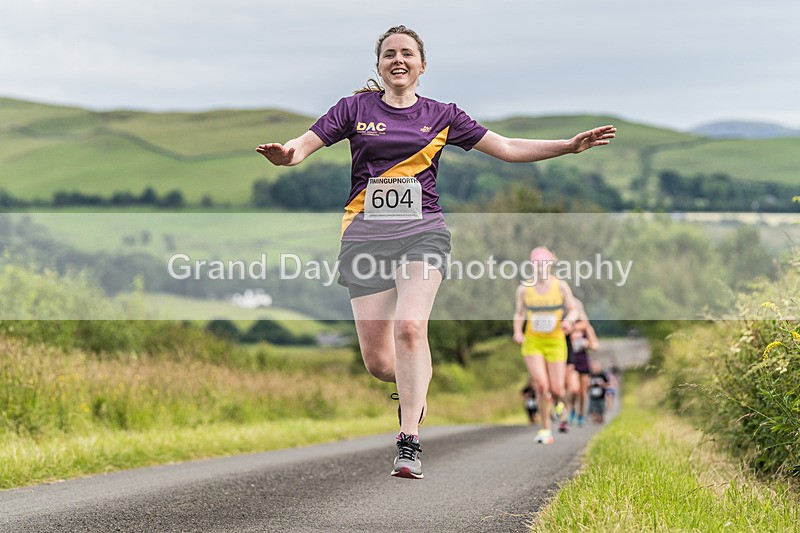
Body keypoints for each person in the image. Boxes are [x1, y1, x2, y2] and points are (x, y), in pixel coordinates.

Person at [257, 25, 615, 478]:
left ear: (422, 66)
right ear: (379, 65)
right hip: (365, 238)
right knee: (380, 363)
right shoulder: (354, 109)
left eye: (407, 53)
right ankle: (416, 385)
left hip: (422, 233)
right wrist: (285, 155)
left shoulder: (442, 115)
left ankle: (408, 440)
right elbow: (301, 147)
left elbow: (504, 147)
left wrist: (566, 146)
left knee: (410, 327)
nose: (398, 60)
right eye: (390, 54)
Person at [513, 247, 581, 444]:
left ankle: (559, 403)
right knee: (542, 386)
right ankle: (545, 430)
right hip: (533, 342)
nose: (540, 268)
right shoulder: (524, 289)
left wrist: (569, 321)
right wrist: (517, 331)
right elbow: (519, 313)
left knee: (557, 389)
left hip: (555, 341)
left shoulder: (560, 287)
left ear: (551, 264)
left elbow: (574, 309)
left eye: (544, 264)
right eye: (537, 264)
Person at [568, 303, 599, 427]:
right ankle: (571, 409)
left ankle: (581, 414)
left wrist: (587, 344)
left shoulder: (586, 328)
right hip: (572, 361)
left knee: (582, 392)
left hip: (584, 361)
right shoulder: (568, 326)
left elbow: (595, 345)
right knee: (574, 389)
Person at [588, 359, 610, 424]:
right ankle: (594, 420)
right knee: (593, 410)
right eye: (593, 367)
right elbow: (587, 385)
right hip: (593, 396)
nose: (594, 369)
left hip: (601, 396)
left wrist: (602, 384)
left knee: (601, 410)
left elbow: (608, 384)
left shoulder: (602, 375)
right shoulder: (590, 375)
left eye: (596, 367)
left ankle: (600, 420)